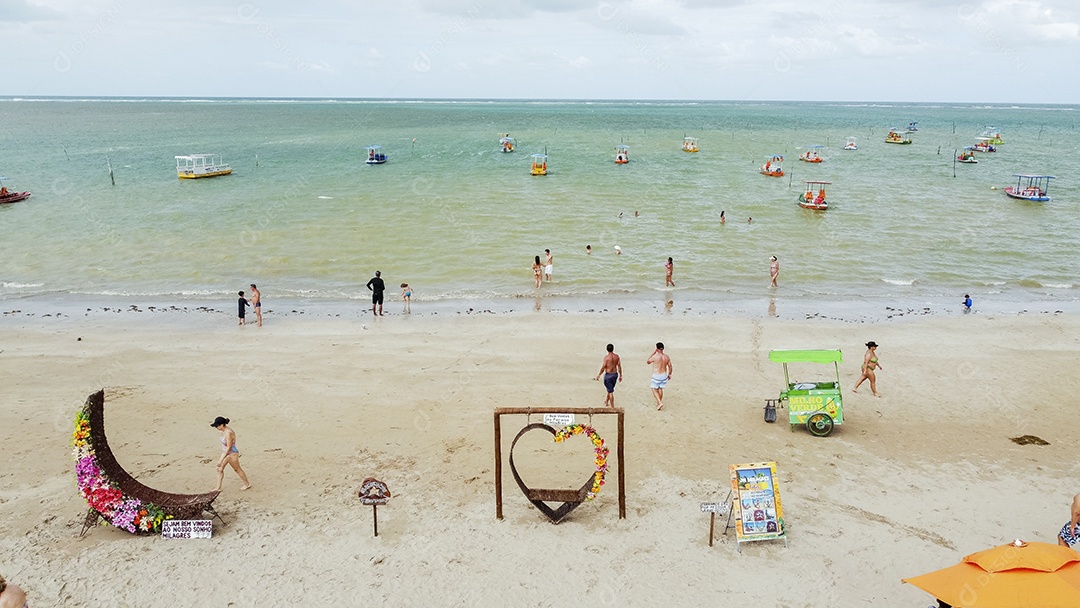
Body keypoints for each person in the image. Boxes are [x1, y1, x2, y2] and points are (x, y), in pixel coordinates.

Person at [211, 416, 251, 492]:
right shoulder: (223, 431)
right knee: (219, 469)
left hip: (232, 454)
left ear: (221, 425)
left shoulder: (228, 433)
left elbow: (229, 448)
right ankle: (218, 487)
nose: (216, 428)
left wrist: (221, 459)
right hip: (226, 453)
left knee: (237, 469)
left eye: (217, 426)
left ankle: (247, 484)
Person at [595, 343, 623, 407]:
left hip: (608, 375)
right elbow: (619, 366)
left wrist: (599, 375)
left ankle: (612, 407)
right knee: (610, 388)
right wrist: (621, 375)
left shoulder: (606, 358)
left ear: (607, 349)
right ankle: (606, 402)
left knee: (610, 391)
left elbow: (603, 367)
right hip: (615, 374)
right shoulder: (617, 356)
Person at [647, 342, 673, 410]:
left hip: (656, 375)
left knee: (654, 389)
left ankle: (659, 402)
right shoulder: (666, 357)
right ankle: (659, 402)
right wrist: (669, 374)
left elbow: (648, 361)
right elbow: (670, 366)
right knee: (660, 388)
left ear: (657, 348)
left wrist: (653, 352)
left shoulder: (655, 357)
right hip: (664, 375)